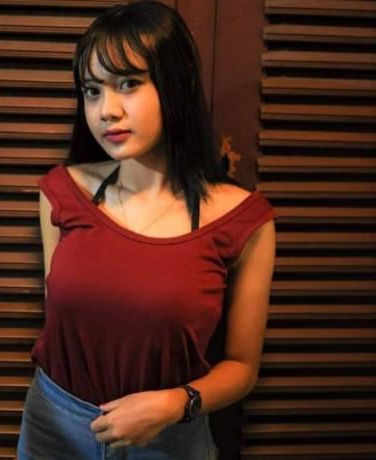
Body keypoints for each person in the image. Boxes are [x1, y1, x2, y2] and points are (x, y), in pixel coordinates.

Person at [16, 1, 276, 459]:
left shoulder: (243, 218)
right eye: (92, 90)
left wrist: (176, 403)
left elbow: (241, 366)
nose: (106, 110)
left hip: (169, 436)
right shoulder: (62, 192)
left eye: (128, 84)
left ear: (176, 84)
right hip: (54, 426)